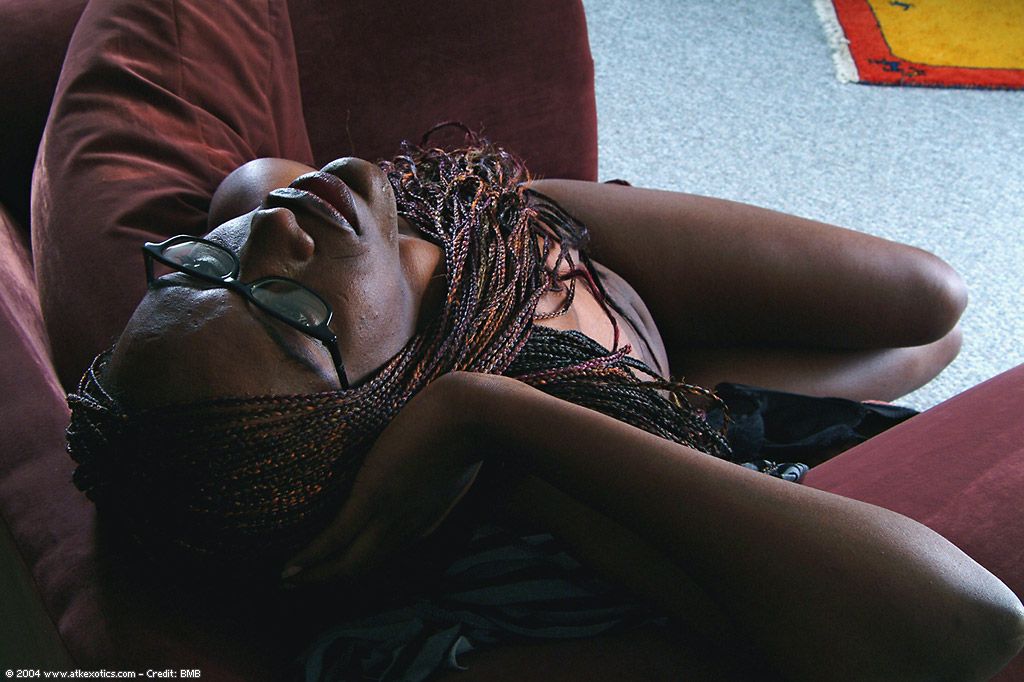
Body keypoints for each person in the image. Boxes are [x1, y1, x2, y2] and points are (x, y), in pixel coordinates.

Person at [65, 133, 1023, 681]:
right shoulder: (480, 580)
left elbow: (262, 184)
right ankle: (648, 377)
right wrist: (490, 411)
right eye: (289, 310)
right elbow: (970, 630)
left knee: (931, 306)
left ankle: (631, 353)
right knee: (926, 345)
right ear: (362, 439)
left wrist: (449, 326)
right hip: (658, 423)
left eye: (200, 265)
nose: (270, 234)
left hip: (547, 270)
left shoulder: (310, 236)